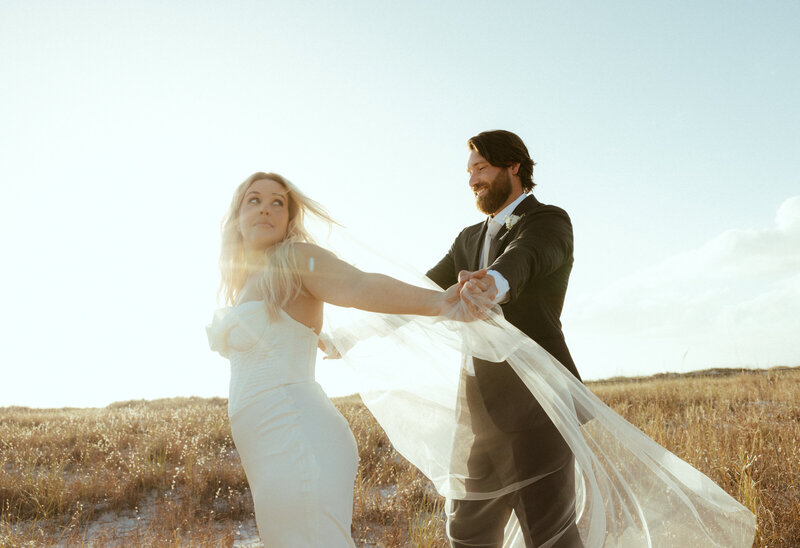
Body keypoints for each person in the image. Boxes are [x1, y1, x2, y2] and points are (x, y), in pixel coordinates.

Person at [206, 172, 479, 547]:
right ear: (237, 214)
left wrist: (438, 303)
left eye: (278, 203)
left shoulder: (295, 258)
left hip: (297, 435)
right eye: (254, 200)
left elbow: (357, 285)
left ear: (289, 218)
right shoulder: (248, 282)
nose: (266, 209)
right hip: (267, 449)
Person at [427, 130, 583, 547]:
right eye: (469, 171)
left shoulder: (548, 220)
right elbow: (420, 294)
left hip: (539, 407)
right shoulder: (466, 239)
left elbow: (525, 258)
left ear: (513, 166)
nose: (472, 180)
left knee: (549, 537)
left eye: (481, 168)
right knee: (468, 533)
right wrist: (348, 334)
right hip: (480, 413)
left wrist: (488, 285)